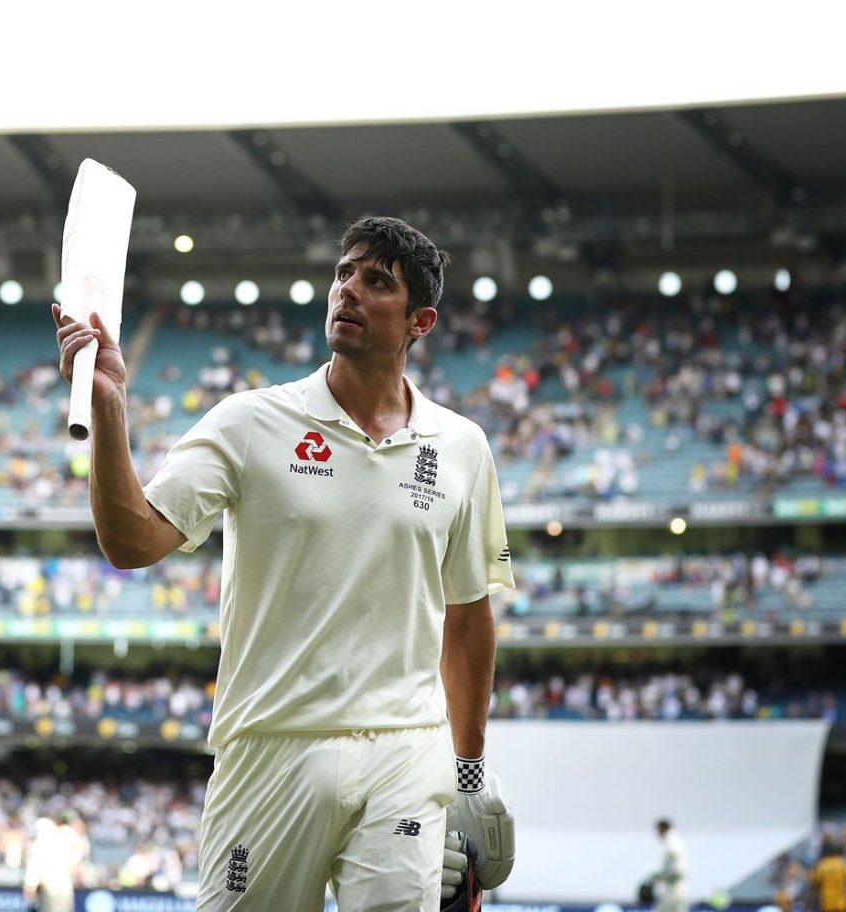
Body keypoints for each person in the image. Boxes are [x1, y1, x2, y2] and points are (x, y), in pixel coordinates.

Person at [52, 216, 516, 911]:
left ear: (420, 320)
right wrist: (110, 412)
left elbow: (468, 619)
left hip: (405, 755)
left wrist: (470, 772)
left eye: (376, 281)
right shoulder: (249, 423)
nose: (348, 291)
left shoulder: (462, 447)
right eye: (344, 274)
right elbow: (131, 542)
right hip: (270, 750)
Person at [22, 811, 86, 912]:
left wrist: (30, 884)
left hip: (52, 887)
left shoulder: (44, 841)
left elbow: (35, 866)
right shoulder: (66, 838)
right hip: (62, 886)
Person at [648, 819, 689, 912]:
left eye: (658, 830)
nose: (657, 834)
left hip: (673, 888)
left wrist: (659, 877)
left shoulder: (672, 844)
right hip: (675, 887)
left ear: (662, 829)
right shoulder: (673, 842)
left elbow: (677, 870)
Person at [808, 840, 846, 912]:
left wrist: (810, 901)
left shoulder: (822, 865)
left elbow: (814, 885)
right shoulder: (844, 864)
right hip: (842, 904)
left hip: (826, 904)